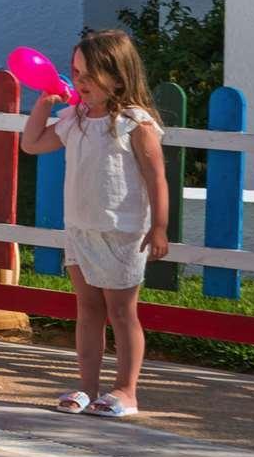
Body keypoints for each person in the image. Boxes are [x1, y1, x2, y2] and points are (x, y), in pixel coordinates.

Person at [20, 28, 171, 419]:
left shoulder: (135, 124)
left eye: (88, 74)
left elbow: (156, 177)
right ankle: (87, 387)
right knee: (87, 308)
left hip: (122, 232)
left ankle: (127, 390)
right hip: (81, 228)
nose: (79, 81)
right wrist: (43, 104)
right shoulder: (77, 120)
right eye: (75, 72)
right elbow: (32, 143)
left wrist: (159, 227)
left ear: (117, 78)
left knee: (122, 312)